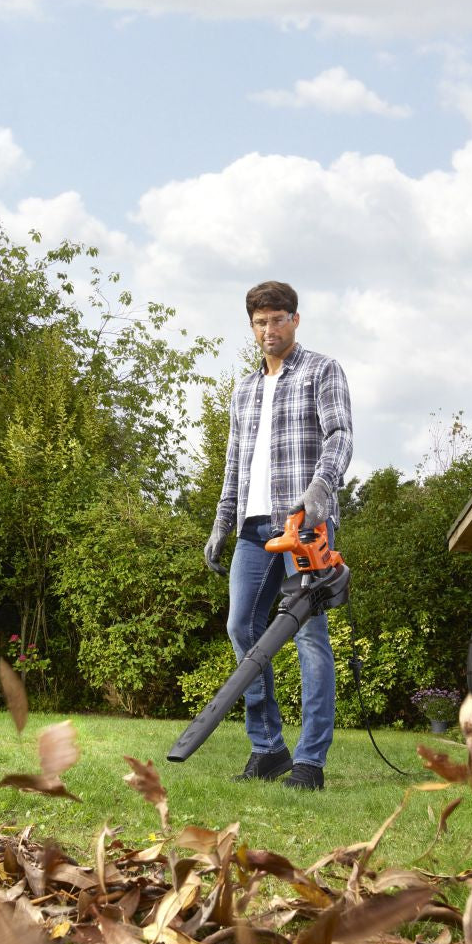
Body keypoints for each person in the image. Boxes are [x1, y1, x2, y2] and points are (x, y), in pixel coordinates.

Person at [204, 280, 353, 791]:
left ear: (295, 319)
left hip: (304, 524)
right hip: (253, 527)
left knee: (309, 635)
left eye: (278, 319)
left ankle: (310, 761)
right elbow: (233, 463)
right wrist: (222, 523)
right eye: (260, 322)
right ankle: (269, 750)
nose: (269, 329)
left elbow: (340, 435)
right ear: (252, 328)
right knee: (241, 627)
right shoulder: (243, 390)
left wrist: (318, 493)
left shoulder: (321, 370)